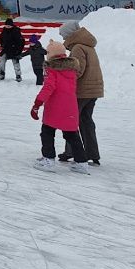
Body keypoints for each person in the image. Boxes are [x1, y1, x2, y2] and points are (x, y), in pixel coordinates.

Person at [31, 41, 90, 174]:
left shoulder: (51, 70)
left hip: (55, 108)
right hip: (70, 107)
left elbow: (48, 88)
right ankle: (81, 162)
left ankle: (48, 159)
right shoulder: (72, 69)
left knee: (47, 132)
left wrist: (37, 104)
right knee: (72, 135)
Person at [58, 21, 103, 166]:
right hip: (93, 90)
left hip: (82, 91)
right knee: (86, 121)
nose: (63, 39)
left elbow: (77, 70)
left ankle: (71, 152)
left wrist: (63, 79)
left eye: (64, 36)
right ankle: (92, 154)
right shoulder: (88, 45)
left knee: (70, 121)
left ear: (69, 34)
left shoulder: (77, 47)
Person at [0, 17, 25, 82]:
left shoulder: (16, 31)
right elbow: (1, 38)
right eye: (6, 25)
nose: (7, 27)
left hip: (14, 49)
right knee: (2, 60)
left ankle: (18, 75)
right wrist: (2, 45)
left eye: (9, 26)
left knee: (15, 62)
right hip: (6, 49)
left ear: (11, 25)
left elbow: (22, 42)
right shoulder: (4, 30)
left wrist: (19, 51)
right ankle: (1, 74)